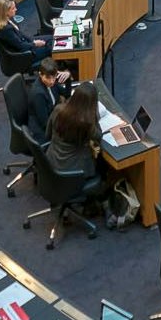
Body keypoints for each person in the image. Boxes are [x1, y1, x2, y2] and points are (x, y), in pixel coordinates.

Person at [46, 84, 125, 228]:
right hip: (73, 171)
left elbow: (47, 134)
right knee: (102, 164)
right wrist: (94, 114)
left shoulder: (58, 110)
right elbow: (99, 136)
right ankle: (102, 202)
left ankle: (92, 204)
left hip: (51, 163)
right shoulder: (86, 123)